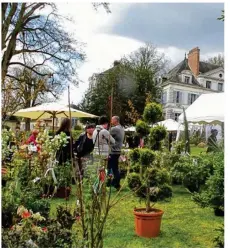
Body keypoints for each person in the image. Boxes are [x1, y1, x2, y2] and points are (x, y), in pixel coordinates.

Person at [109, 116, 125, 190]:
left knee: (113, 168)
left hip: (113, 151)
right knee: (114, 167)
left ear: (115, 120)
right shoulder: (121, 128)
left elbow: (105, 134)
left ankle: (116, 184)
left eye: (112, 120)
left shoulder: (115, 129)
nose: (111, 121)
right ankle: (113, 183)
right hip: (118, 151)